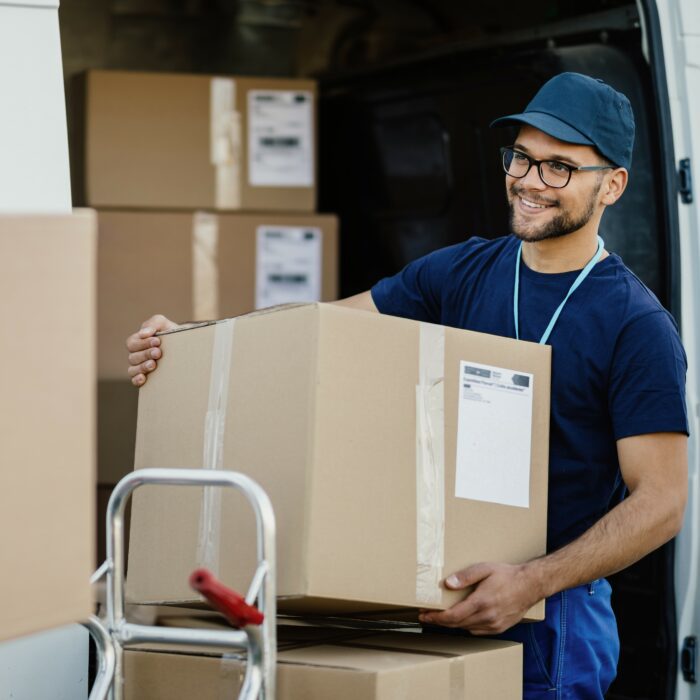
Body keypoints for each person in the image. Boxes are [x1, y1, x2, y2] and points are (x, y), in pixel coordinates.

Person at [126, 72, 689, 699]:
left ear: (612, 185)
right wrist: (190, 340)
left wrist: (532, 581)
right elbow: (323, 327)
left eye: (559, 167)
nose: (530, 181)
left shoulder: (636, 326)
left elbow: (661, 501)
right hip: (437, 593)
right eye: (523, 157)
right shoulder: (462, 269)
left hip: (551, 617)